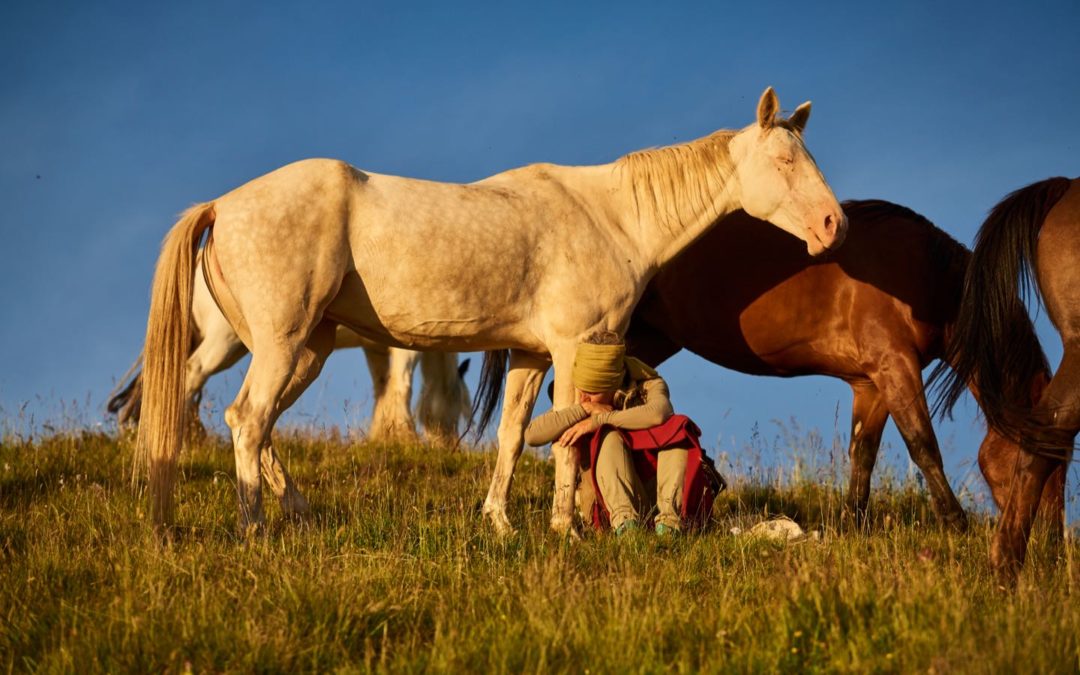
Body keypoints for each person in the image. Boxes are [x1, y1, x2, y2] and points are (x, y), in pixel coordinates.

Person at [524, 331, 718, 535]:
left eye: (592, 392)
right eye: (581, 388)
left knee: (679, 429)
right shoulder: (581, 402)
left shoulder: (649, 385)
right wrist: (585, 411)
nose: (583, 397)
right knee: (608, 437)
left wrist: (601, 419)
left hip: (654, 496)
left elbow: (660, 413)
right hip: (606, 503)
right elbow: (532, 435)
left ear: (614, 383)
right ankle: (627, 528)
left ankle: (670, 526)